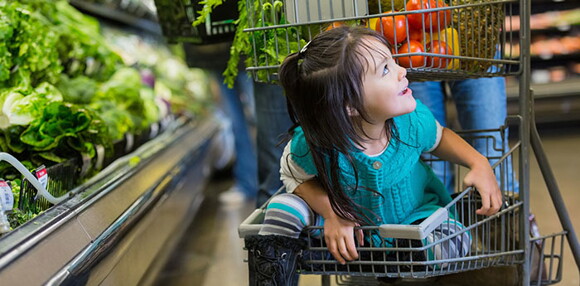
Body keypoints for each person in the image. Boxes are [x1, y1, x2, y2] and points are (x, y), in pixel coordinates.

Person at [244, 26, 503, 285]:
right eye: (386, 70)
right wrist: (333, 212)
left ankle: (400, 263)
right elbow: (291, 174)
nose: (403, 71)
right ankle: (272, 279)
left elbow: (439, 137)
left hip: (416, 220)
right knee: (283, 207)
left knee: (455, 238)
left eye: (392, 61)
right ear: (349, 106)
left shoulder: (410, 122)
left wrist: (478, 163)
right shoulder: (316, 141)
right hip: (347, 238)